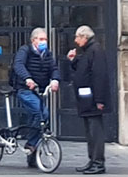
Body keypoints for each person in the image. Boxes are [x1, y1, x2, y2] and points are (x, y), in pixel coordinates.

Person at [11, 26, 59, 169]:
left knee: (37, 120)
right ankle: (31, 144)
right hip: (25, 89)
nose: (44, 42)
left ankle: (32, 157)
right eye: (41, 39)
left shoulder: (47, 54)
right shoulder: (25, 51)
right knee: (42, 113)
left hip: (40, 90)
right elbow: (18, 65)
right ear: (34, 40)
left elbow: (54, 68)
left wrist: (55, 80)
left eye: (45, 39)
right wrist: (28, 78)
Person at [67, 25, 110, 174]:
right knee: (89, 131)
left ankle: (98, 162)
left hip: (93, 99)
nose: (75, 40)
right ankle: (92, 160)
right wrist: (73, 60)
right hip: (86, 98)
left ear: (84, 37)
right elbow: (82, 70)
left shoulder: (95, 50)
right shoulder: (88, 51)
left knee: (95, 131)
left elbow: (99, 76)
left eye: (77, 37)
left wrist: (99, 100)